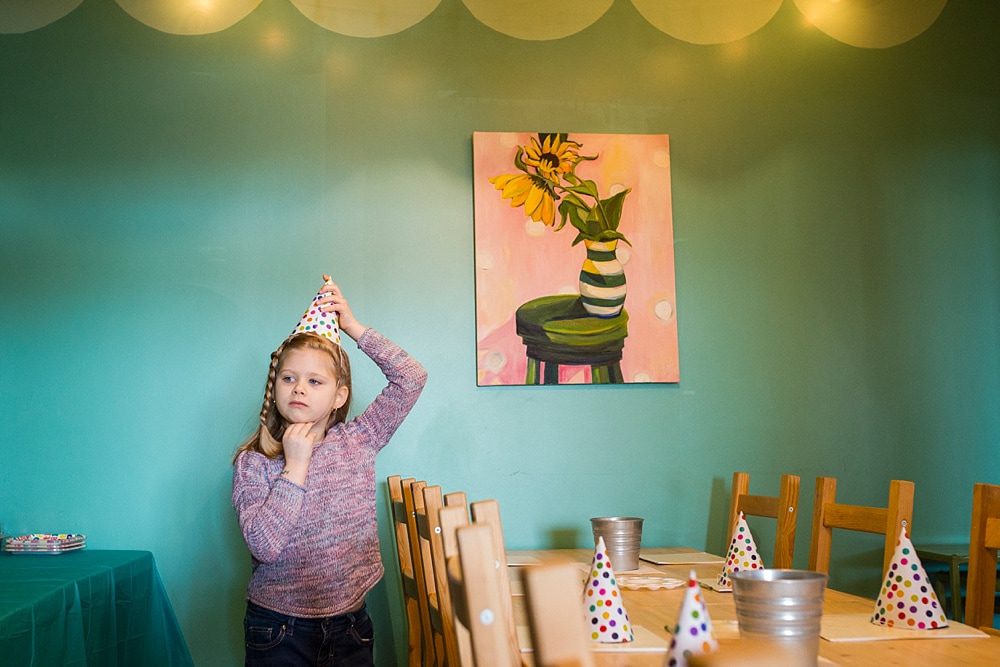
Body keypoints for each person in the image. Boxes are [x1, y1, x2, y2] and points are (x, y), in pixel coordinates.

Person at [232, 276, 427, 666]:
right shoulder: (253, 461)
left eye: (314, 380)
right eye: (289, 378)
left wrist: (354, 327)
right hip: (277, 628)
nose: (299, 388)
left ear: (339, 396)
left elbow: (411, 378)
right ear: (275, 388)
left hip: (349, 623)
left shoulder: (360, 438)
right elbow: (265, 546)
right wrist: (296, 466)